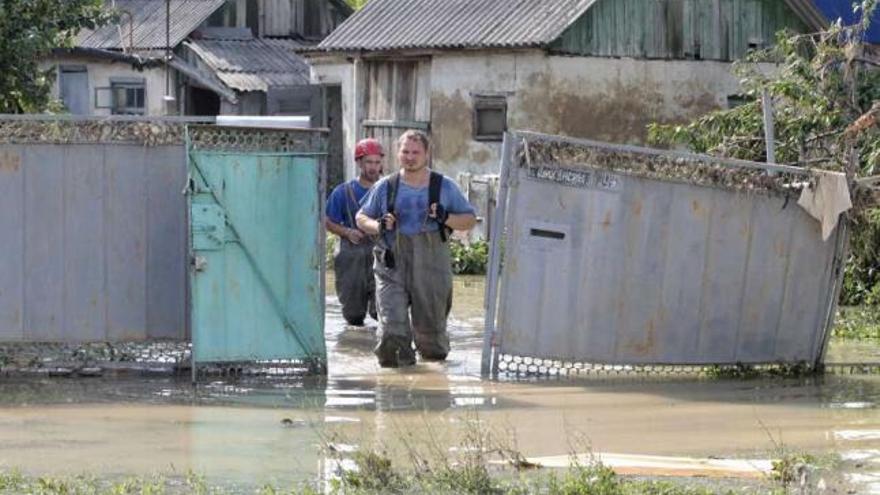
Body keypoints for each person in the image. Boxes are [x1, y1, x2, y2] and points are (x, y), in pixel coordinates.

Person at [356, 130, 477, 367]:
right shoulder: (385, 186)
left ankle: (430, 388)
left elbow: (469, 220)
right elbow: (361, 218)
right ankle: (395, 390)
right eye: (405, 152)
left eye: (415, 152)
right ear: (397, 154)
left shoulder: (444, 186)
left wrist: (445, 217)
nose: (410, 157)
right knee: (391, 331)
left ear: (426, 154)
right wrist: (378, 225)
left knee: (432, 342)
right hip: (391, 267)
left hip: (431, 266)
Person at [325, 138, 384, 326]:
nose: (373, 167)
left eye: (377, 162)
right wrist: (347, 232)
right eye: (368, 162)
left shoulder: (388, 189)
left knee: (383, 312)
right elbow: (327, 221)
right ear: (359, 163)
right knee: (353, 316)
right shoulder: (342, 192)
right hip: (351, 257)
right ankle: (355, 346)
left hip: (381, 255)